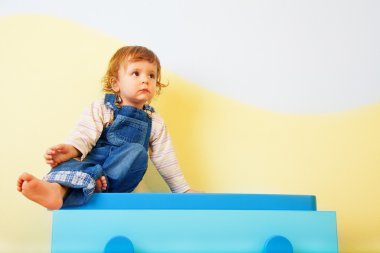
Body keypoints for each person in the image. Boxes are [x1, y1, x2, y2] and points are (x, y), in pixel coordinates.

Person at [17, 46, 195, 210]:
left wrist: (183, 190)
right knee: (72, 163)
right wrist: (72, 149)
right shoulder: (102, 108)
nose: (145, 81)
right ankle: (56, 191)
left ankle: (95, 186)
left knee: (137, 152)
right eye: (136, 73)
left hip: (114, 180)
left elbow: (166, 158)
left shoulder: (154, 122)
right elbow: (84, 134)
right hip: (90, 164)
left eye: (151, 76)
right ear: (116, 83)